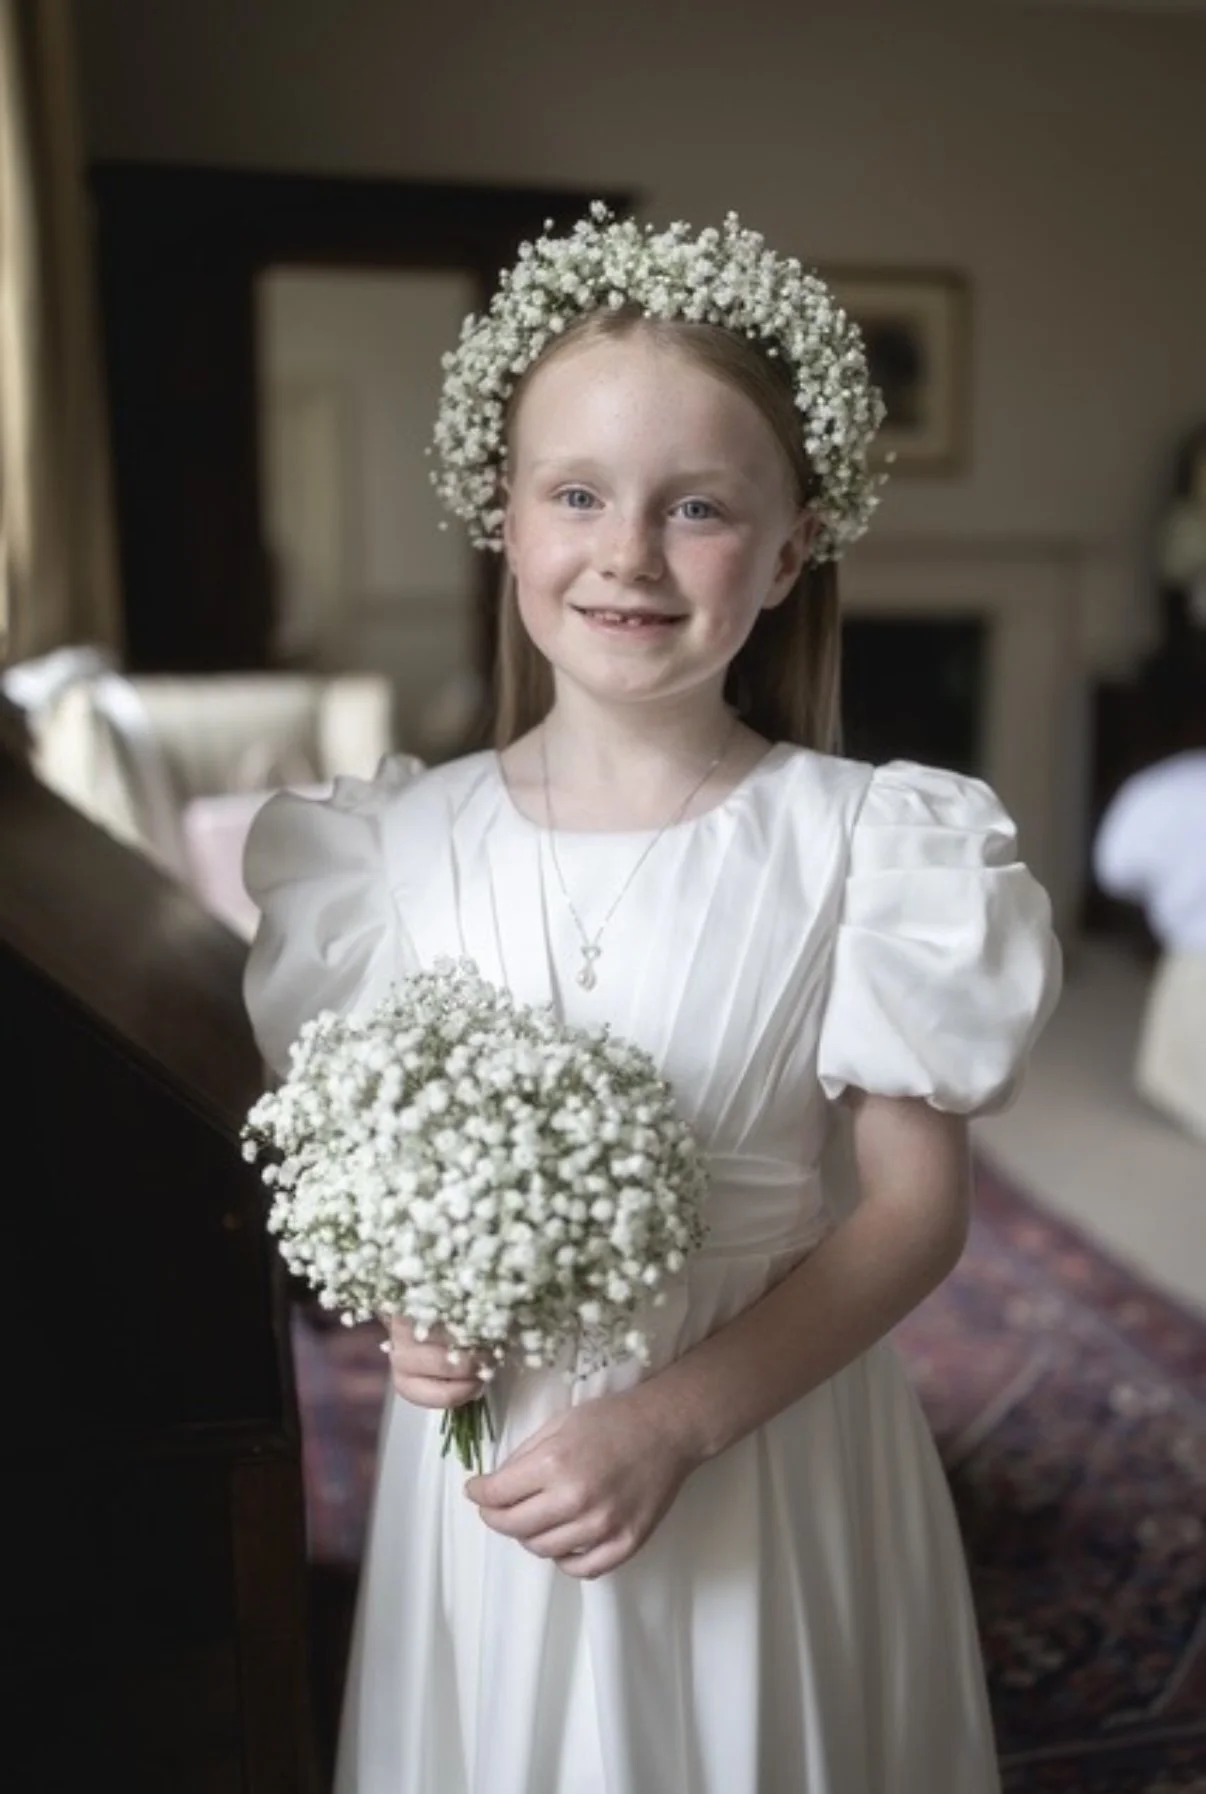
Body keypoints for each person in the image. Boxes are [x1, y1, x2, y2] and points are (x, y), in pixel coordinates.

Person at [243, 207, 1062, 1794]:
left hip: (763, 1438)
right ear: (501, 511)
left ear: (788, 545)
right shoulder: (387, 854)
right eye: (577, 495)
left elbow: (911, 1214)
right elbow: (389, 1184)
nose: (625, 554)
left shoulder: (872, 841)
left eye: (696, 507)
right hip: (497, 1475)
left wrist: (675, 1420)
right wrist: (417, 1313)